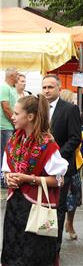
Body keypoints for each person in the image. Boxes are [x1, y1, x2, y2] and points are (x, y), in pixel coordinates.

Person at [1, 95, 68, 266]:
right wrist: (10, 178)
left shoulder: (47, 145)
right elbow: (7, 170)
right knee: (13, 255)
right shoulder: (14, 142)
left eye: (16, 113)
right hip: (15, 208)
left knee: (34, 256)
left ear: (30, 117)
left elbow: (59, 180)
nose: (12, 117)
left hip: (37, 208)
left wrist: (29, 179)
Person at [42, 74, 81, 264]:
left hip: (61, 166)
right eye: (44, 87)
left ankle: (54, 250)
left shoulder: (70, 109)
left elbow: (75, 138)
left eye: (50, 87)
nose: (47, 90)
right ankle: (42, 245)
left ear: (58, 88)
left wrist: (55, 156)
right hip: (40, 167)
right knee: (41, 206)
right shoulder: (38, 107)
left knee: (58, 208)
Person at [59, 89, 82, 240]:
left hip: (72, 162)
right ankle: (68, 224)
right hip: (65, 162)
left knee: (72, 196)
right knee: (67, 199)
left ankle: (69, 224)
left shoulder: (72, 111)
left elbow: (76, 137)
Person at [1, 67, 19, 188]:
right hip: (4, 126)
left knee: (8, 153)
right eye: (17, 75)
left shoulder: (12, 89)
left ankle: (5, 178)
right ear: (11, 76)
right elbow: (6, 107)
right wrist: (15, 121)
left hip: (9, 126)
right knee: (5, 153)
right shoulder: (4, 87)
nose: (18, 77)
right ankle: (3, 179)